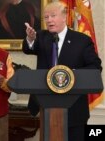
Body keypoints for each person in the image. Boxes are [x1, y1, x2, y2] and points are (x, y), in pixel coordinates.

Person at [22, 1, 102, 141]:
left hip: (74, 107)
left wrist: (72, 74)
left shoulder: (82, 40)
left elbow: (95, 67)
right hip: (46, 104)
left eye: (53, 16)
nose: (49, 20)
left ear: (64, 17)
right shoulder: (41, 37)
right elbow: (28, 49)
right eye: (46, 17)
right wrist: (30, 38)